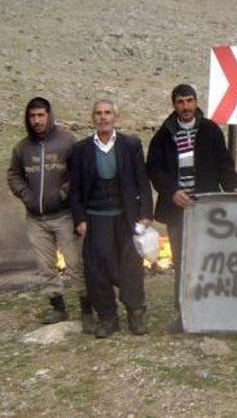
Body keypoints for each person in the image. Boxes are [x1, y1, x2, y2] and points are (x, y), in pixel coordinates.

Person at [146, 84, 237, 328]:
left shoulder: (209, 130)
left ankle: (211, 310)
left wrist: (233, 186)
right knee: (182, 261)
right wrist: (171, 192)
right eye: (180, 102)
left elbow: (223, 163)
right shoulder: (164, 134)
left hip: (205, 208)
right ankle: (184, 314)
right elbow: (154, 169)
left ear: (196, 102)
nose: (185, 107)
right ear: (174, 104)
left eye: (189, 101)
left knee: (210, 259)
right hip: (178, 209)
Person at [69, 100, 153, 338]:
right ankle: (108, 317)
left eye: (107, 113)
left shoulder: (130, 144)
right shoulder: (81, 149)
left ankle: (136, 314)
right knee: (97, 270)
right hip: (95, 219)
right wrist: (80, 220)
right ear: (92, 118)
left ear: (115, 116)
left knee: (131, 267)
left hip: (126, 217)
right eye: (98, 113)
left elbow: (142, 182)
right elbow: (75, 190)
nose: (103, 117)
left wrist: (145, 214)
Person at [7, 97, 92, 331]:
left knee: (75, 263)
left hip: (64, 215)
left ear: (49, 115)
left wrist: (63, 194)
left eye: (41, 115)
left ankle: (86, 309)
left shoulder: (67, 142)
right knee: (46, 266)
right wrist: (26, 195)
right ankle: (57, 307)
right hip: (36, 218)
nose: (36, 121)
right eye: (32, 116)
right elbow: (13, 175)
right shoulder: (22, 148)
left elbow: (78, 174)